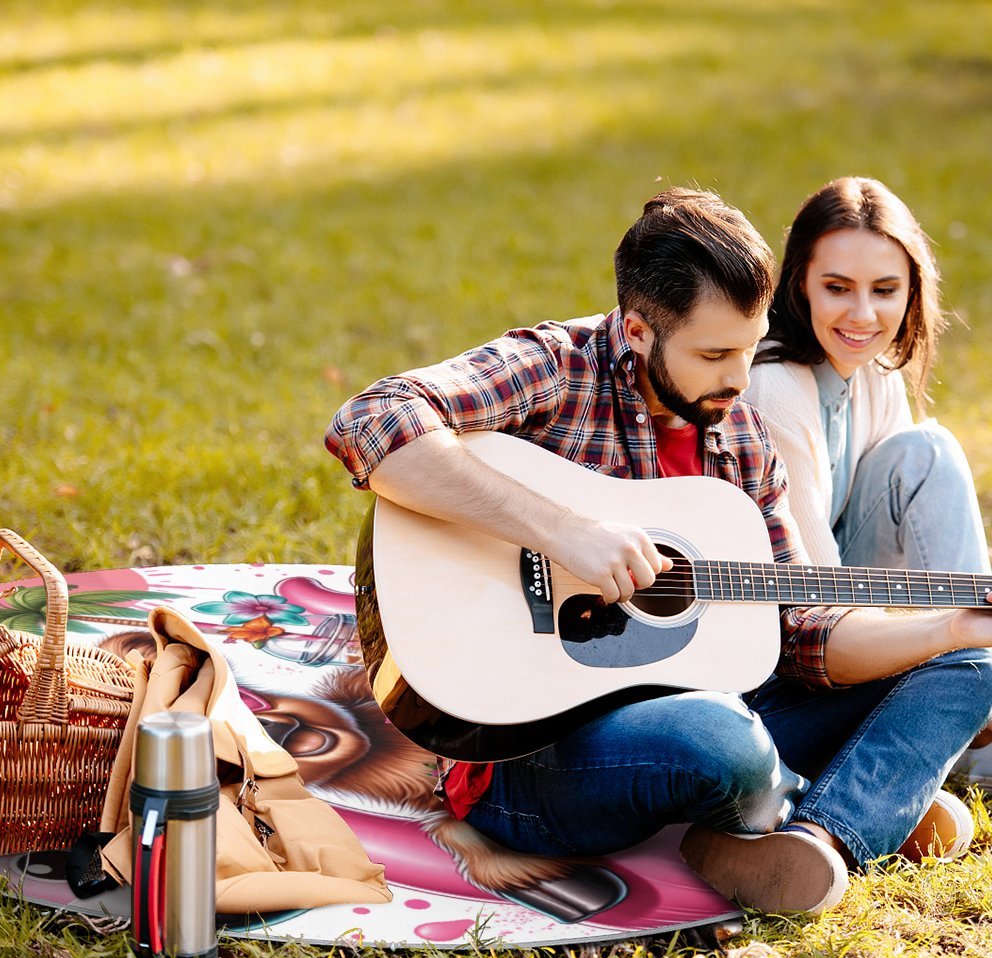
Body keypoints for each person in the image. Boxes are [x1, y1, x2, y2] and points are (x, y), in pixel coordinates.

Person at [325, 187, 992, 916]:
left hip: (718, 709)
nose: (740, 380)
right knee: (720, 741)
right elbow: (372, 419)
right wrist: (561, 531)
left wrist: (948, 628)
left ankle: (823, 836)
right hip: (529, 755)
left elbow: (801, 629)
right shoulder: (556, 367)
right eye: (714, 354)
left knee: (972, 665)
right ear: (638, 330)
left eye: (749, 346)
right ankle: (851, 796)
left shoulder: (740, 436)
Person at [745, 176, 992, 790]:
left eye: (885, 290)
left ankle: (971, 693)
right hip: (787, 647)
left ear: (912, 292)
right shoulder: (775, 385)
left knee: (923, 451)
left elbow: (913, 538)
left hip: (852, 610)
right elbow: (815, 602)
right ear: (799, 281)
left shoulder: (874, 370)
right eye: (837, 288)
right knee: (929, 451)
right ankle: (968, 717)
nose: (863, 315)